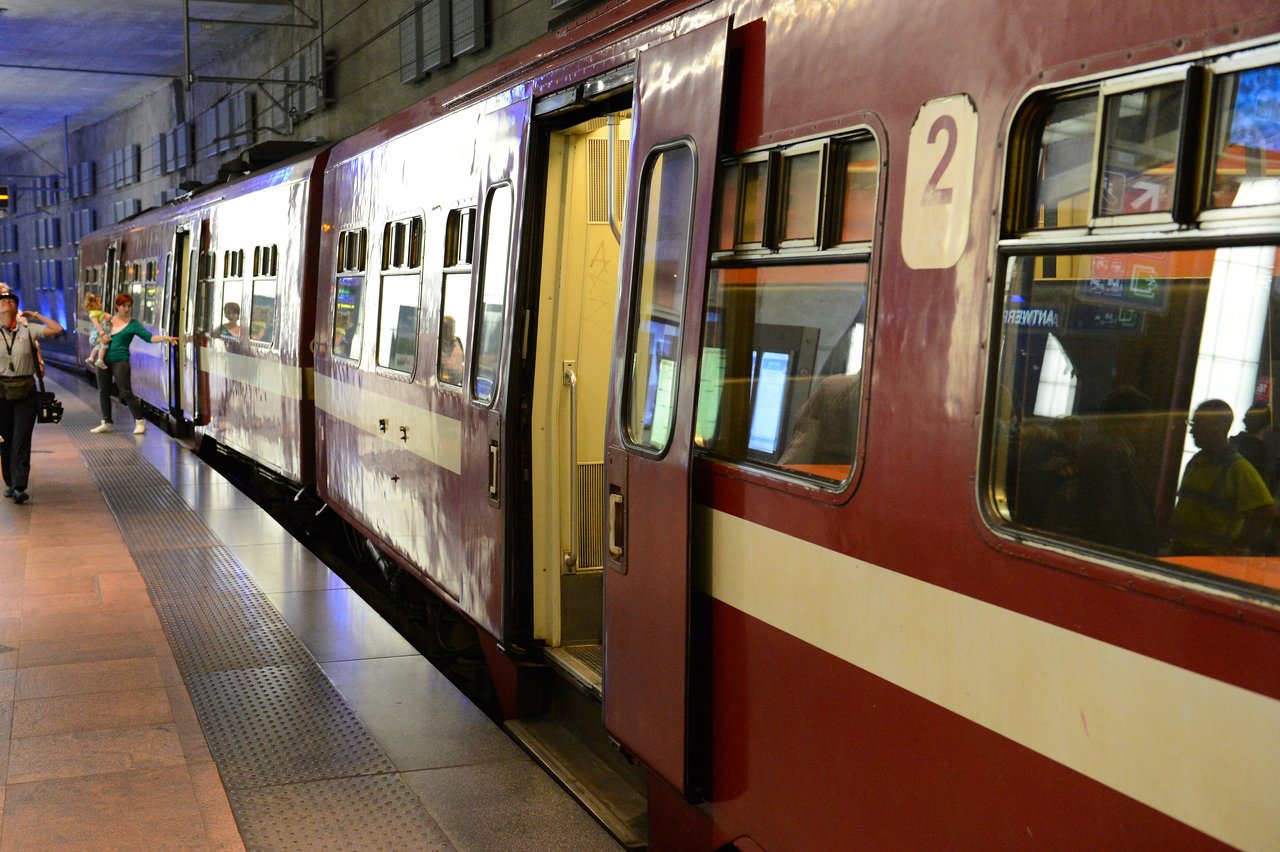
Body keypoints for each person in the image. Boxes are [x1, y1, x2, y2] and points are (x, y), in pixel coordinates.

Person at [1169, 399, 1277, 555]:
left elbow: (1267, 512)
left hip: (1208, 559)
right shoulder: (1196, 461)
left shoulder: (1237, 468)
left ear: (1217, 427)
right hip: (1181, 551)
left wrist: (1234, 547)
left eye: (1197, 425)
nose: (1192, 431)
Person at [1074, 386, 1160, 554]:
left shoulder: (1110, 449)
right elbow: (1112, 516)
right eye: (1144, 421)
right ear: (1127, 421)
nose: (1147, 428)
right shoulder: (1108, 453)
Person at [0, 291, 63, 504]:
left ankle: (19, 486)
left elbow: (57, 329)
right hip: (1, 393)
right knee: (5, 439)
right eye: (2, 301)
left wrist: (36, 315)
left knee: (21, 439)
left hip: (26, 392)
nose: (6, 303)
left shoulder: (27, 329)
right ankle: (9, 482)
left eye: (10, 301)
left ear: (17, 308)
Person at [89, 293, 177, 435]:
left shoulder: (133, 324)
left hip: (120, 360)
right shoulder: (108, 320)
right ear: (117, 307)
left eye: (129, 306)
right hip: (103, 359)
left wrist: (165, 338)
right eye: (124, 306)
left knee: (125, 391)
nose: (127, 308)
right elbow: (95, 329)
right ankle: (106, 422)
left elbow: (149, 338)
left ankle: (139, 421)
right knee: (103, 391)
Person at [83, 292, 111, 369]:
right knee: (104, 343)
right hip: (97, 335)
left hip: (98, 334)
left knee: (98, 346)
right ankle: (100, 360)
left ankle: (91, 359)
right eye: (99, 302)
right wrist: (102, 332)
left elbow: (106, 315)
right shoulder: (93, 314)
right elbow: (96, 324)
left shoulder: (98, 312)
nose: (101, 304)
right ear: (94, 304)